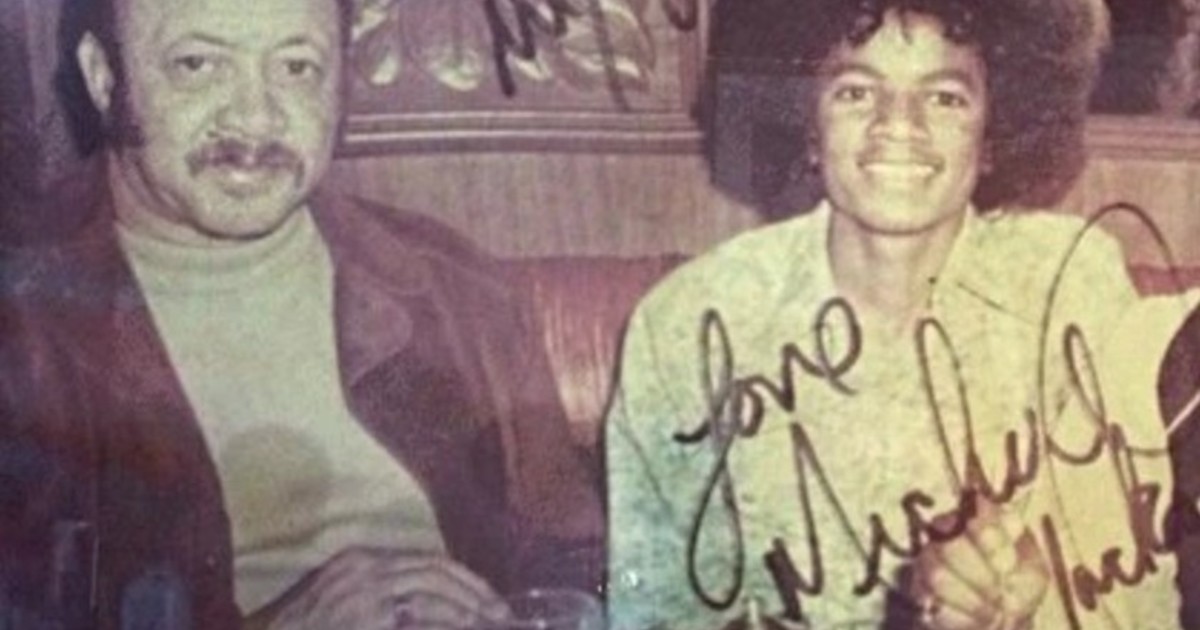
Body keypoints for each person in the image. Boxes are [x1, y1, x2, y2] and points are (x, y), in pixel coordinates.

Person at [0, 0, 603, 627]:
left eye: (296, 67)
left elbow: (573, 561)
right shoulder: (23, 330)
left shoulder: (453, 290)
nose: (255, 117)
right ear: (103, 76)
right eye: (197, 64)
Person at [605, 0, 1182, 628]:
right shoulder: (691, 323)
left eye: (945, 98)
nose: (898, 125)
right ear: (806, 122)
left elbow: (1141, 590)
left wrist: (1039, 590)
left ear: (994, 131)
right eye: (856, 92)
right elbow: (655, 612)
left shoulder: (1072, 286)